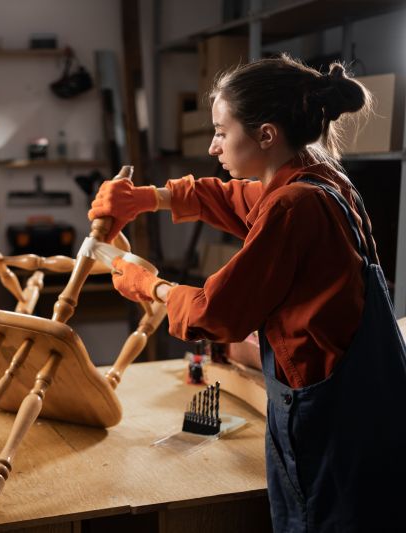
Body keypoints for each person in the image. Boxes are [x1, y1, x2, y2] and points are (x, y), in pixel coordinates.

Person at [89, 55, 406, 533]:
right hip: (365, 407)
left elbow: (216, 314)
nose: (214, 145)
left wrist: (148, 285)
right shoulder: (319, 181)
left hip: (328, 422)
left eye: (221, 130)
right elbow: (237, 200)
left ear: (265, 135)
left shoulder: (296, 205)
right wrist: (148, 197)